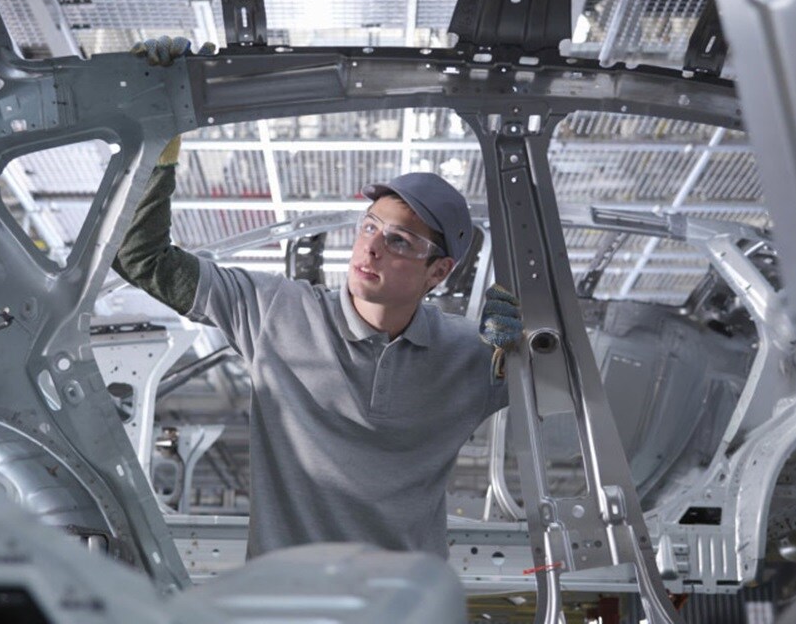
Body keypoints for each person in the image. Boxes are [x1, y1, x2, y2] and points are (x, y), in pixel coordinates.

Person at [114, 37, 522, 561]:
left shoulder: (471, 354)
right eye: (369, 226)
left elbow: (573, 396)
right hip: (287, 605)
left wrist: (531, 346)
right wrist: (154, 129)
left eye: (399, 240)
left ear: (437, 272)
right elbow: (140, 258)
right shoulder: (274, 311)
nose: (370, 246)